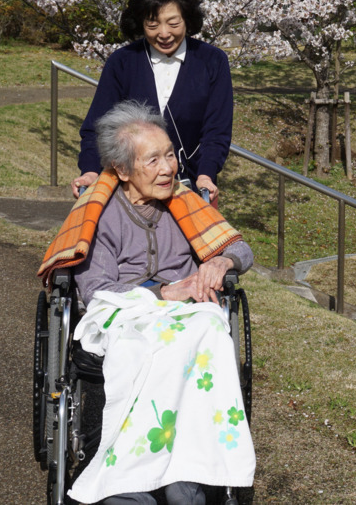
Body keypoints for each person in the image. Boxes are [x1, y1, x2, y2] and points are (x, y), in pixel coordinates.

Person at [39, 100, 254, 505]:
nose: (168, 168)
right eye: (153, 159)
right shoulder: (98, 214)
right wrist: (162, 293)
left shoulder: (186, 203)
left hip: (188, 315)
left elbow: (240, 249)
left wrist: (223, 258)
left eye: (171, 155)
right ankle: (130, 478)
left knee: (210, 332)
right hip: (130, 315)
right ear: (121, 170)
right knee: (153, 349)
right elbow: (97, 292)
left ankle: (187, 475)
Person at [72, 0, 234, 204]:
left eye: (173, 23)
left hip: (190, 189)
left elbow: (216, 132)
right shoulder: (123, 62)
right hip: (130, 193)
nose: (164, 33)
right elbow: (97, 128)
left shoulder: (212, 61)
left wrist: (206, 175)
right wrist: (89, 170)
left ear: (187, 19)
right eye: (153, 24)